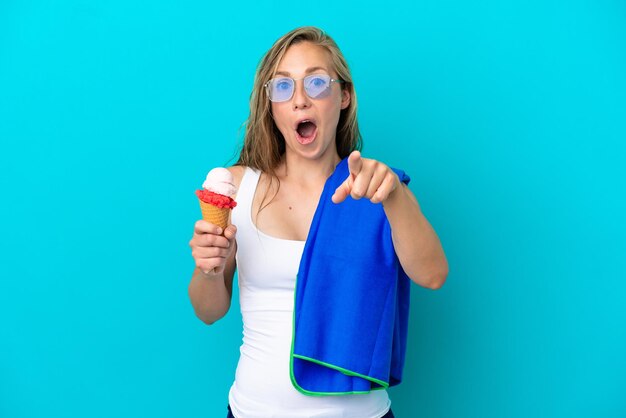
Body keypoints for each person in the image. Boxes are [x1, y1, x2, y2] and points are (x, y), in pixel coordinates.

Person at [188, 26, 448, 418]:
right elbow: (208, 311)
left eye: (316, 83)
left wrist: (394, 196)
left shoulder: (377, 187)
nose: (299, 100)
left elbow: (433, 275)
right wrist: (208, 270)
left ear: (344, 96)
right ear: (270, 105)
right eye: (283, 87)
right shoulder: (238, 187)